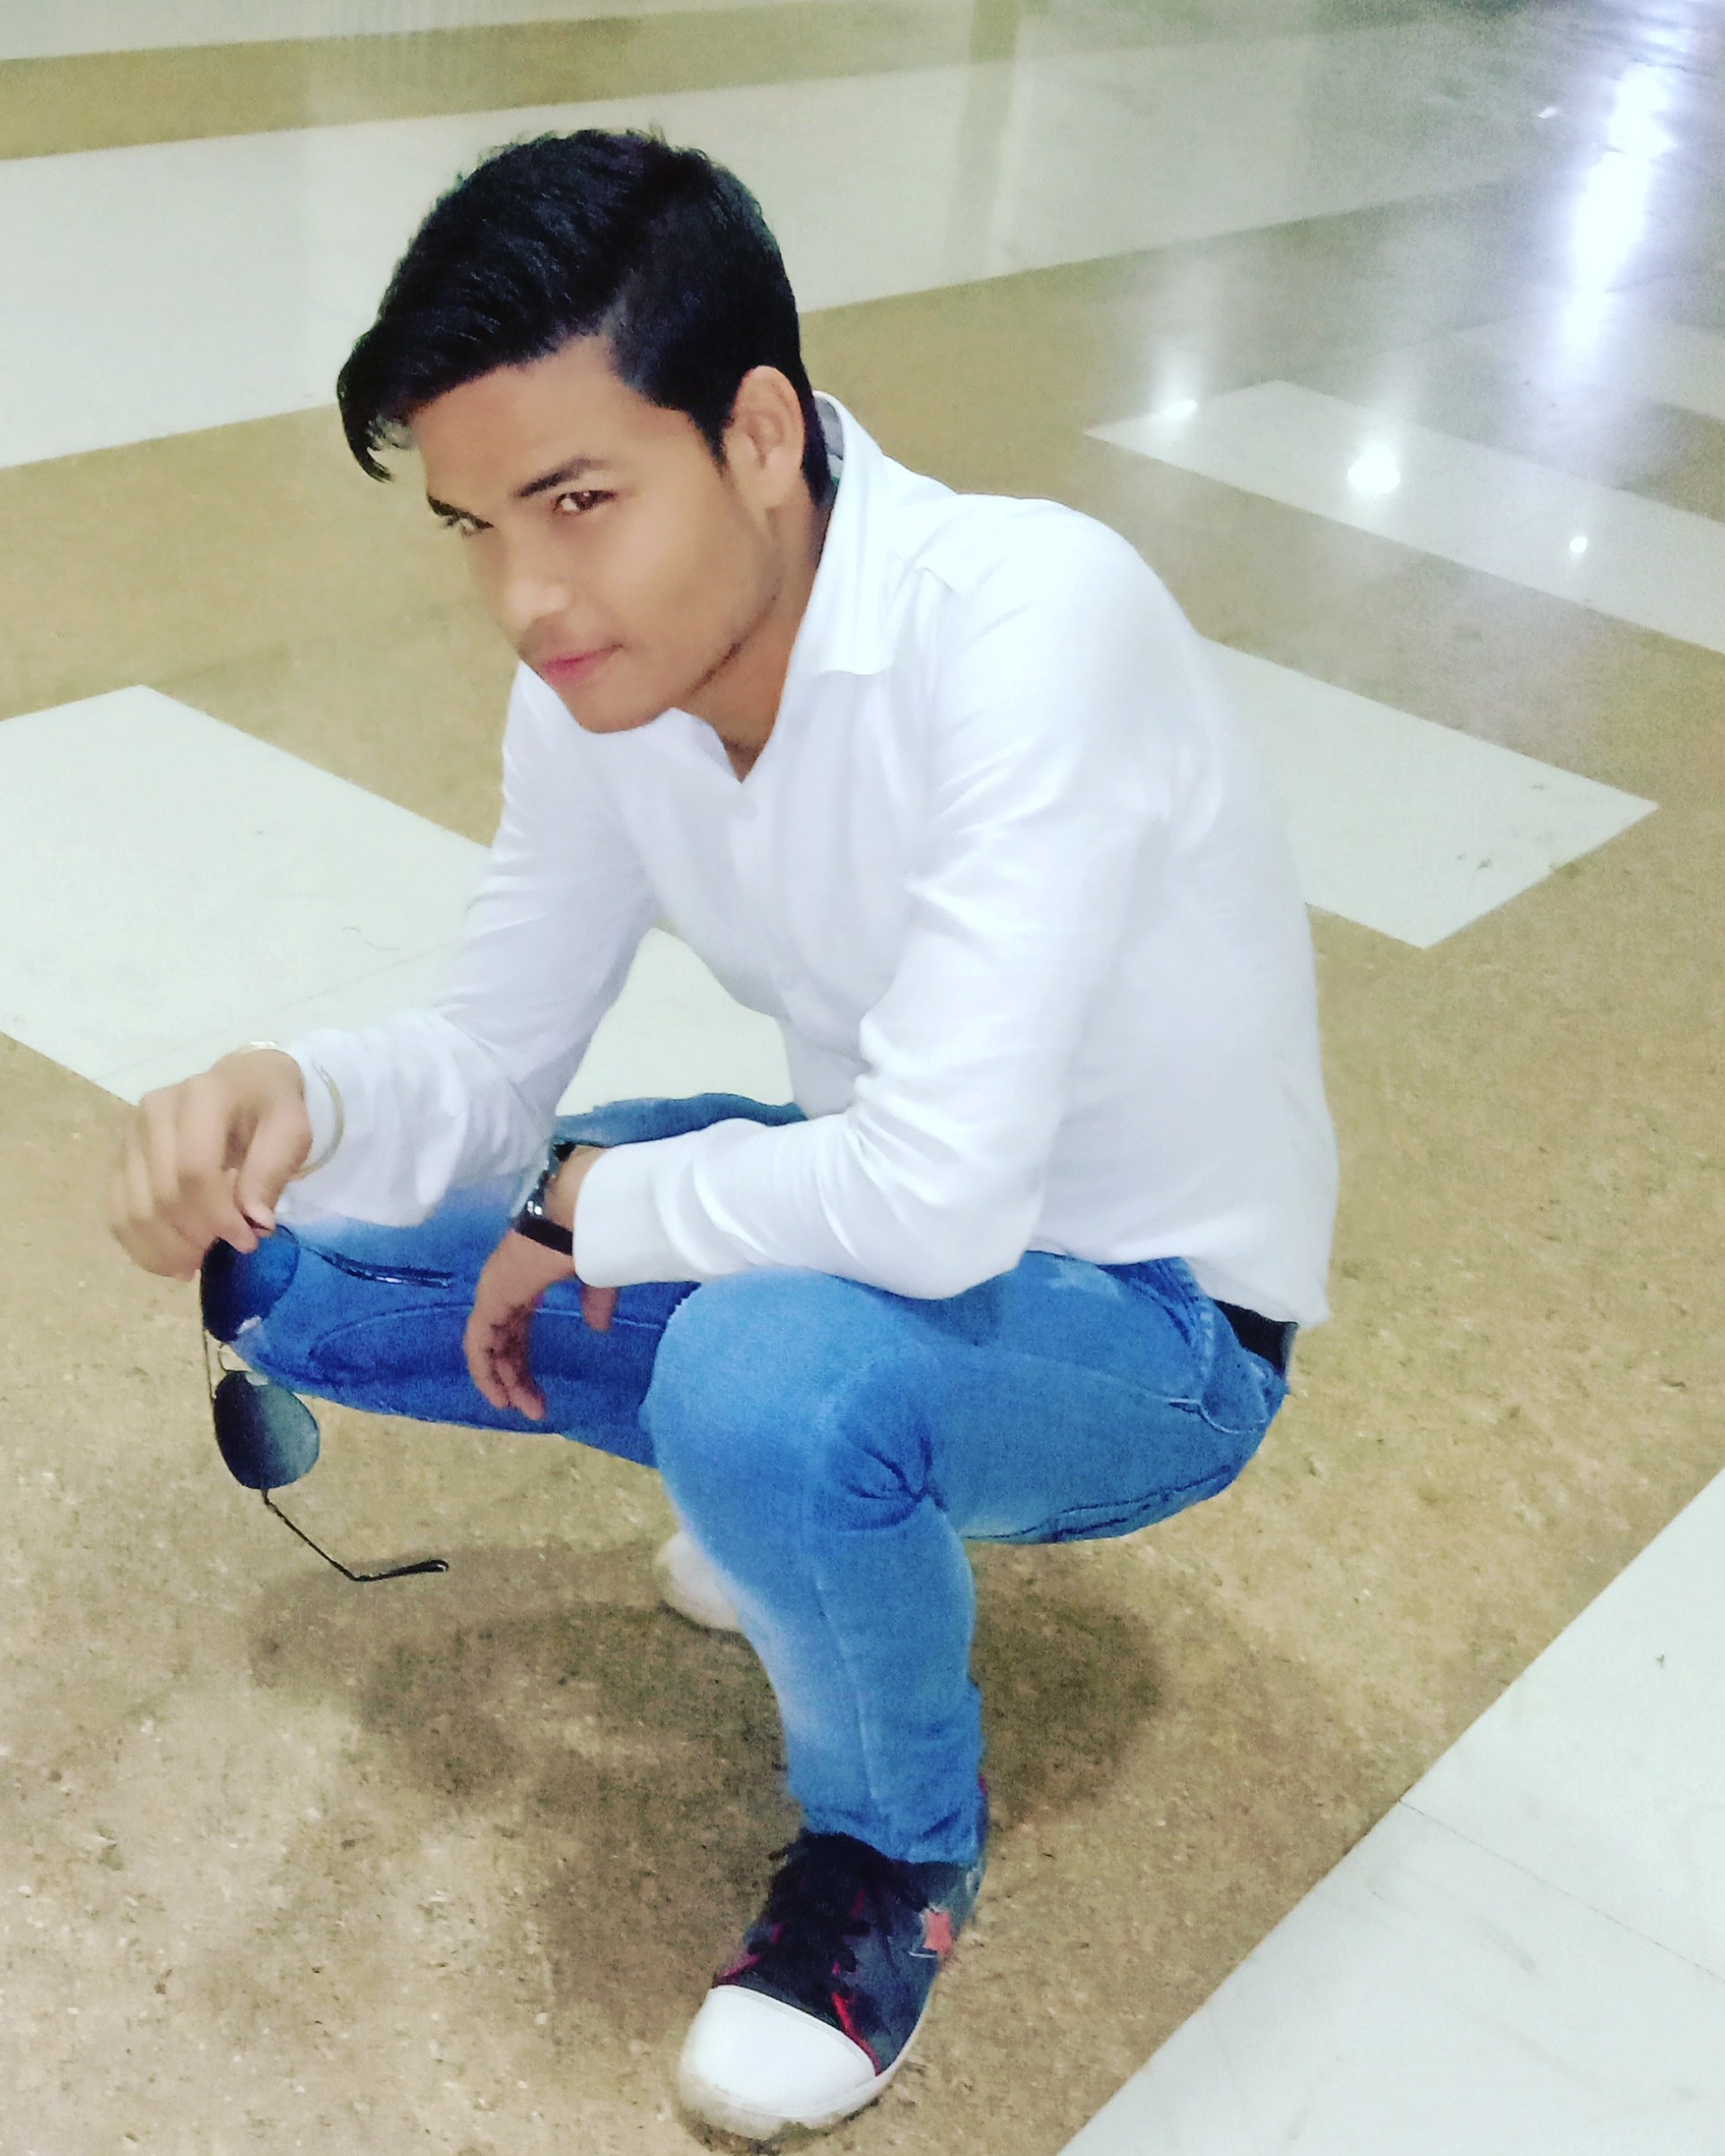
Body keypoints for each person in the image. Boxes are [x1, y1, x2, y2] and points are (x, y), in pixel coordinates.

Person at [106, 127, 1337, 2143]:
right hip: (877, 1202)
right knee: (319, 1255)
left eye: (579, 501)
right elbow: (489, 1066)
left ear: (759, 433)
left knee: (761, 1377)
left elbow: (937, 1195)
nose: (527, 596)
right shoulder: (600, 685)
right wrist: (299, 1097)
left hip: (1153, 1317)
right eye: (476, 524)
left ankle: (888, 1856)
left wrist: (593, 1201)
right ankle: (797, 1518)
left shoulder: (1028, 620)